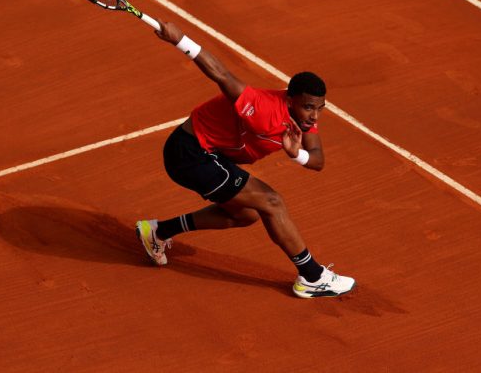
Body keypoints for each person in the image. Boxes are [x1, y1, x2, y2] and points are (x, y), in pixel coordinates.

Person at [135, 19, 355, 299]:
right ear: (290, 100)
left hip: (210, 155)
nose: (314, 115)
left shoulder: (304, 118)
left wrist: (295, 153)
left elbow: (317, 160)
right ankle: (312, 276)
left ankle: (158, 232)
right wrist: (180, 41)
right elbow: (221, 75)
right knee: (272, 202)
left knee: (245, 214)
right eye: (309, 107)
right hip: (189, 153)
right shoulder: (264, 108)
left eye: (319, 108)